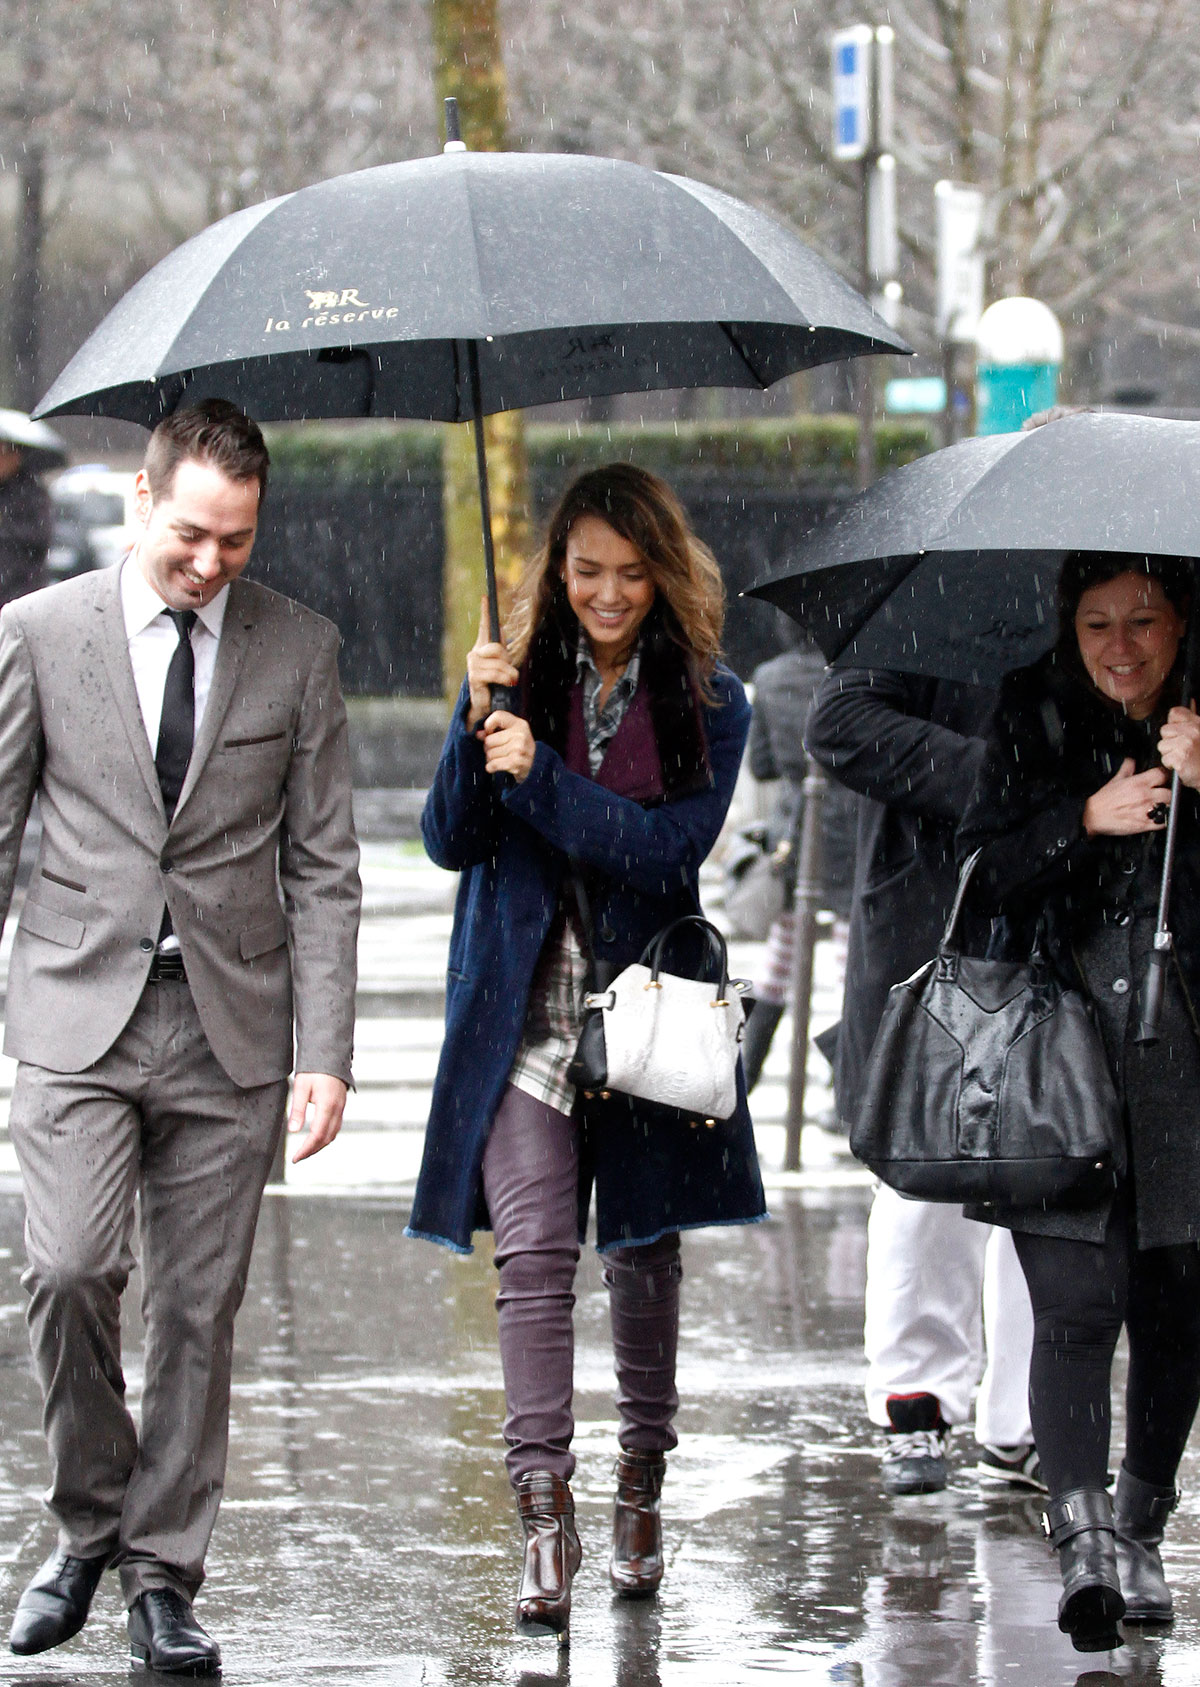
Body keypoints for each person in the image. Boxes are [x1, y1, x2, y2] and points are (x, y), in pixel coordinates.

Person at [3, 401, 361, 1675]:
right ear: (143, 499)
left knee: (199, 1312)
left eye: (239, 541)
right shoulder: (39, 637)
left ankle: (163, 1573)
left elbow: (325, 866)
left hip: (232, 1028)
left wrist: (325, 1048)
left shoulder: (299, 648)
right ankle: (88, 1522)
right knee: (67, 1267)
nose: (211, 564)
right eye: (193, 535)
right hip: (74, 1013)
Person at [408, 463, 766, 1641]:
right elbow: (449, 839)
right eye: (587, 570)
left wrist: (545, 779)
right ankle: (541, 1514)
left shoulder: (713, 700)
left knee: (646, 1256)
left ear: (665, 573)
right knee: (532, 1257)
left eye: (630, 571)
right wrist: (475, 729)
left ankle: (640, 1488)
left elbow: (662, 852)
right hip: (526, 1017)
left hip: (650, 1017)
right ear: (557, 572)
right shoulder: (518, 677)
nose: (608, 593)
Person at [957, 552, 1200, 1652]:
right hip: (1055, 1048)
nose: (1120, 646)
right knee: (1072, 1301)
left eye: (1143, 621)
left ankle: (1141, 1526)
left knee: (1176, 1297)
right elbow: (979, 873)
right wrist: (1081, 820)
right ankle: (1085, 1544)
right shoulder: (1032, 711)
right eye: (1098, 623)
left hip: (1184, 1051)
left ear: (1180, 621)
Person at [806, 669, 1037, 1496]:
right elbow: (838, 721)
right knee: (922, 1170)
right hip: (928, 919)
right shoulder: (929, 601)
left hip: (1054, 904)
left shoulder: (1092, 583)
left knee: (1050, 1164)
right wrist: (1000, 772)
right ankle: (917, 1399)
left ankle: (1024, 1418)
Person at [739, 638, 857, 1091]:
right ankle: (848, 1084)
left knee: (780, 955)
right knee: (851, 960)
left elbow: (764, 766)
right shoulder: (856, 670)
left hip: (797, 831)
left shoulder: (771, 676)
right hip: (854, 826)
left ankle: (747, 1071)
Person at [0, 432, 52, 602]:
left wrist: (5, 528)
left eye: (4, 453)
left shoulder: (32, 492)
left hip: (22, 587)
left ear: (16, 457)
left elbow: (40, 535)